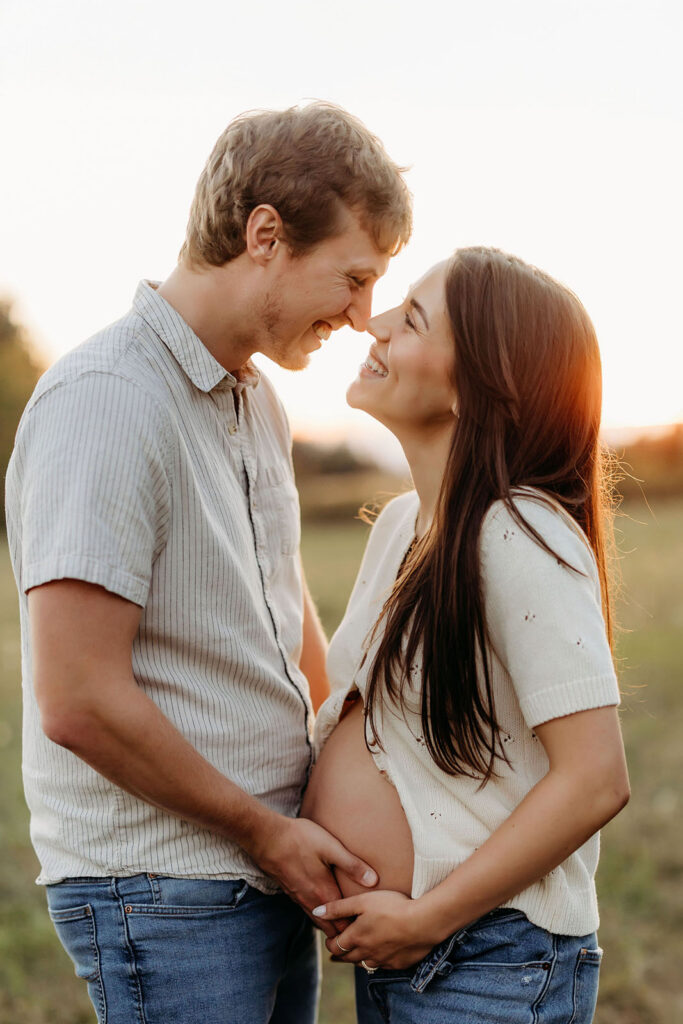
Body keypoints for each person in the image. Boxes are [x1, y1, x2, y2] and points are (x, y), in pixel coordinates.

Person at [4, 102, 412, 1024]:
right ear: (264, 234)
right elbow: (77, 700)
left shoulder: (256, 401)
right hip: (165, 888)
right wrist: (267, 832)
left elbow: (282, 618)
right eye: (352, 276)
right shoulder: (108, 398)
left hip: (264, 867)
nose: (361, 314)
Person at [302, 247, 630, 1023]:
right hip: (416, 953)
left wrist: (426, 918)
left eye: (410, 319)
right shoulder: (402, 527)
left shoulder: (518, 531)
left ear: (478, 388)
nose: (373, 323)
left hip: (486, 957)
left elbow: (594, 779)